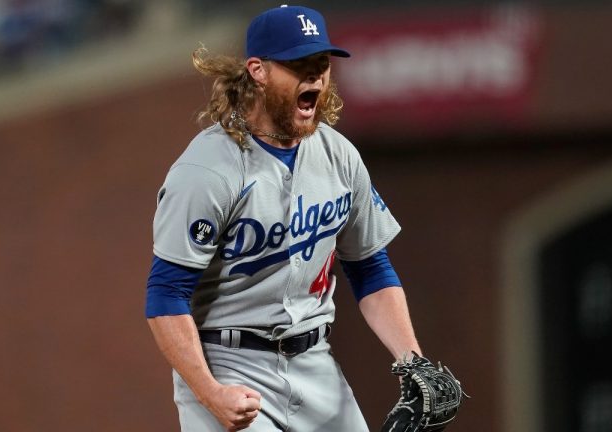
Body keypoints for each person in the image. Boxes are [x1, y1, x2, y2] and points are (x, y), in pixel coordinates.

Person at [146, 5, 422, 431]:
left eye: (320, 63)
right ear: (257, 71)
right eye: (298, 64)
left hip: (316, 362)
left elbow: (370, 267)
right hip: (228, 362)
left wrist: (411, 360)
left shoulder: (339, 155)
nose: (314, 76)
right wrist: (209, 392)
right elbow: (166, 294)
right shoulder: (207, 170)